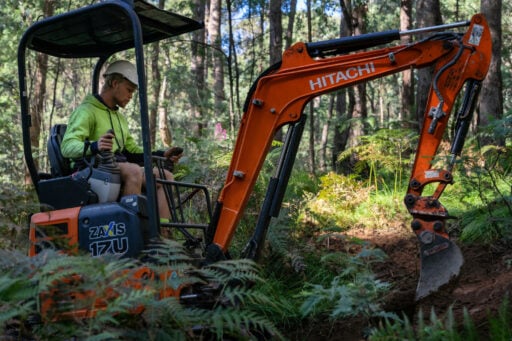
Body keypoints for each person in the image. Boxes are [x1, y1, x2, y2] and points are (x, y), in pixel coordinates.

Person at [61, 60, 181, 220]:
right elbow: (67, 146)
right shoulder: (86, 111)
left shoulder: (120, 119)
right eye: (129, 90)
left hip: (117, 166)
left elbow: (131, 151)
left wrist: (161, 153)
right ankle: (131, 230)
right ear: (115, 83)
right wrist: (94, 146)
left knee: (166, 176)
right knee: (133, 170)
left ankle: (162, 236)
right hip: (92, 169)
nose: (131, 96)